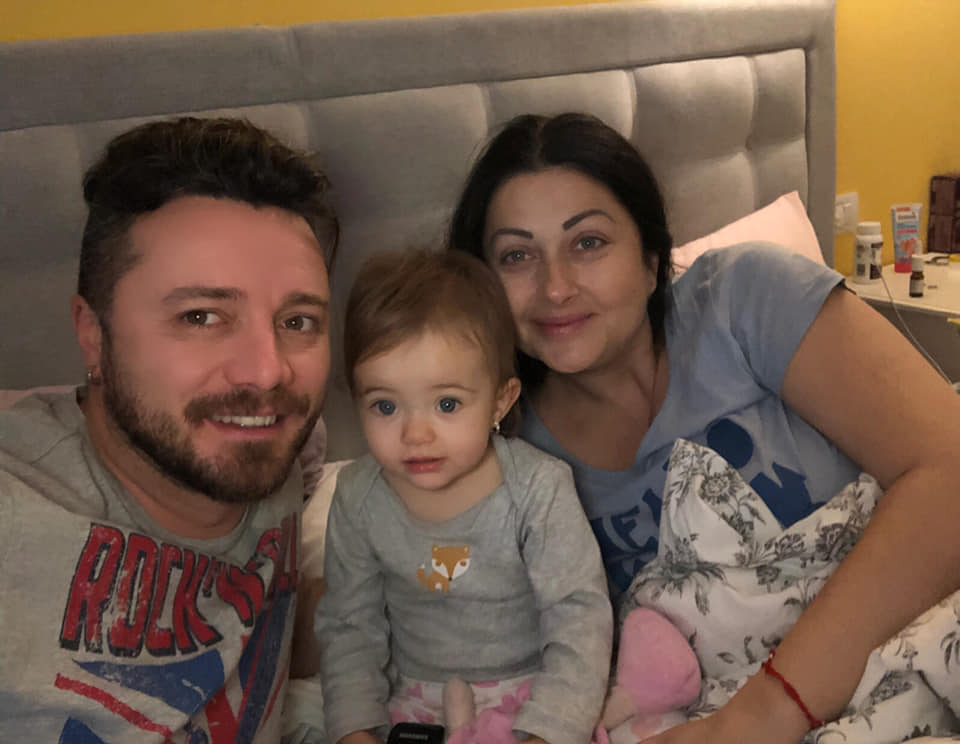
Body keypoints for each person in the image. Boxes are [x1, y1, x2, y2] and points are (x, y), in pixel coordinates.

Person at [447, 112, 960, 743]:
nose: (555, 287)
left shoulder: (743, 301)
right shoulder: (499, 454)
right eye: (517, 255)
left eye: (588, 243)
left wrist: (766, 712)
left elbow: (950, 471)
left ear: (650, 258)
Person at [0, 116, 338, 742]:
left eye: (298, 322)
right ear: (93, 335)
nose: (267, 372)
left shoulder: (278, 455)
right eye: (201, 316)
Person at [315, 249, 613, 744]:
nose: (416, 434)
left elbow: (580, 618)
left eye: (447, 404)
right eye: (385, 406)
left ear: (500, 400)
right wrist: (354, 730)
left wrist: (549, 732)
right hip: (412, 705)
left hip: (534, 698)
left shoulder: (538, 489)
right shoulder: (357, 498)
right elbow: (349, 628)